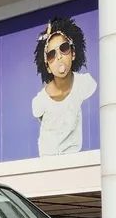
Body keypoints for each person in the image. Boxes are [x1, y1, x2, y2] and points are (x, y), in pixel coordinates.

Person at [32, 17, 97, 155]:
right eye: (51, 55)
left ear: (73, 53)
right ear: (47, 67)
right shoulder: (40, 103)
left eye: (64, 48)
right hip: (48, 167)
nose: (59, 57)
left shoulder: (86, 84)